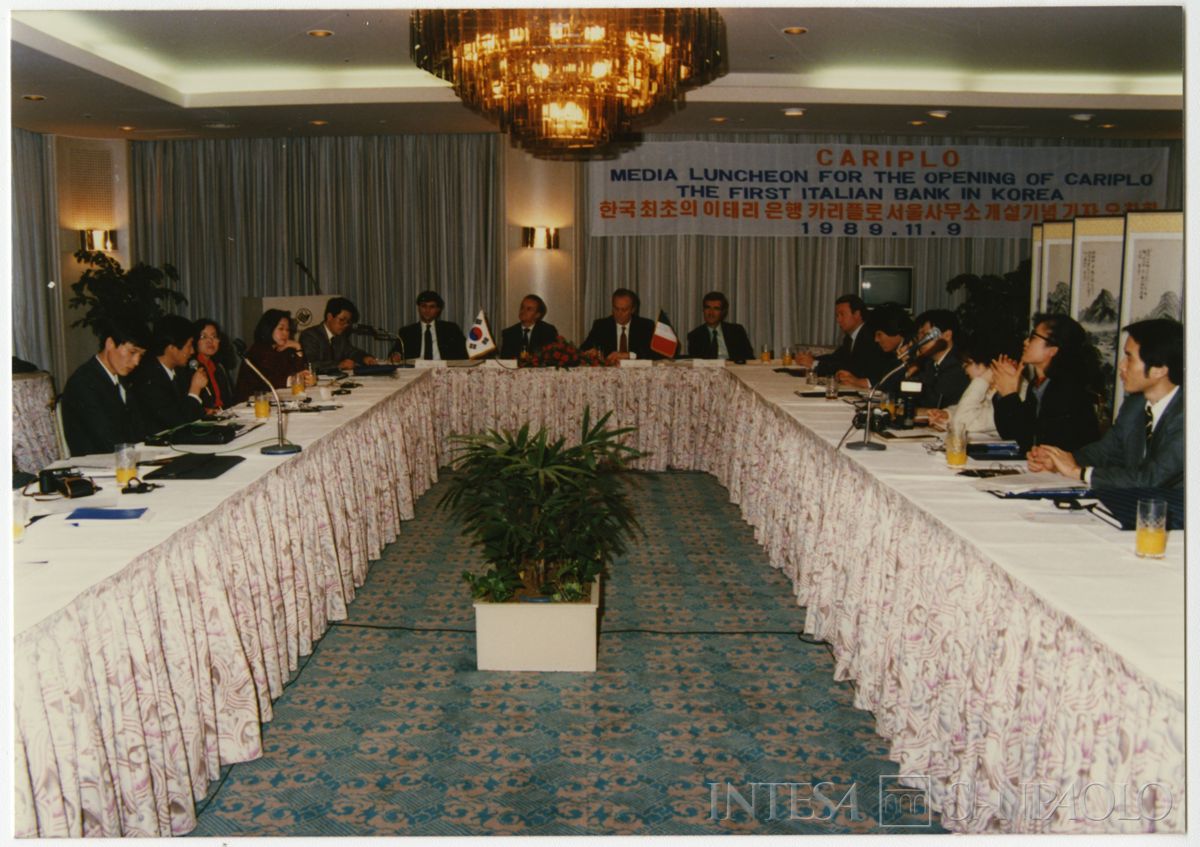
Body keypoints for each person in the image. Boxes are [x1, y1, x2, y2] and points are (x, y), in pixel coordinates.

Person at [1028, 319, 1183, 489]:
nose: (1121, 366)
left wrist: (1078, 472)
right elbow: (1105, 452)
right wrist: (1058, 460)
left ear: (1159, 370)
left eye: (1129, 358)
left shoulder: (1187, 417)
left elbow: (1152, 478)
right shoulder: (1135, 405)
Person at [991, 313, 1100, 453]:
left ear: (1052, 350)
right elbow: (1009, 433)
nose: (1025, 342)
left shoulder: (1068, 390)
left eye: (1033, 337)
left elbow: (1029, 440)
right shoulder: (1038, 384)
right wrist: (1003, 391)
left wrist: (1010, 394)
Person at [60, 317, 150, 456]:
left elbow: (138, 430)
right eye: (132, 352)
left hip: (124, 458)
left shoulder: (120, 378)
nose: (136, 362)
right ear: (110, 343)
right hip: (98, 464)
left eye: (141, 355)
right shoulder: (84, 382)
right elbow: (108, 441)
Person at [927, 332, 1022, 436]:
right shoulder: (992, 389)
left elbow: (963, 421)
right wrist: (947, 415)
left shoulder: (1015, 391)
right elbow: (975, 410)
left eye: (967, 365)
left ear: (988, 364)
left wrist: (983, 379)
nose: (965, 372)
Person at [130, 314, 210, 434]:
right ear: (172, 348)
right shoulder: (148, 377)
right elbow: (177, 423)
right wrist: (195, 390)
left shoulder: (181, 371)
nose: (192, 351)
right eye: (189, 346)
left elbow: (187, 410)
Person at [794, 293, 882, 381]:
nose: (838, 320)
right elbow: (835, 358)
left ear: (856, 314)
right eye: (837, 315)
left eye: (842, 314)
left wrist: (815, 364)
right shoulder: (850, 337)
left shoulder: (870, 336)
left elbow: (852, 368)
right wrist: (811, 359)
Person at [234, 309, 315, 402]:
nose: (285, 333)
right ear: (268, 329)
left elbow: (298, 372)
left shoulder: (283, 349)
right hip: (249, 404)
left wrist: (298, 347)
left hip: (273, 401)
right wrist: (294, 380)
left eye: (287, 330)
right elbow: (267, 382)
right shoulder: (258, 350)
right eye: (281, 329)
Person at [836, 303, 913, 390]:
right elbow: (880, 377)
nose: (876, 340)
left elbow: (891, 384)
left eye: (879, 334)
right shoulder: (892, 350)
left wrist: (858, 382)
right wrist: (854, 379)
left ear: (894, 330)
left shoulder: (910, 350)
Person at [909, 309, 970, 412]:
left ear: (947, 335)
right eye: (918, 335)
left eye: (925, 335)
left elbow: (934, 403)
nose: (920, 341)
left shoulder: (957, 365)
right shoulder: (930, 363)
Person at [580, 288, 658, 363]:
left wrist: (629, 355)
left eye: (624, 310)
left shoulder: (645, 326)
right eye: (616, 309)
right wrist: (591, 352)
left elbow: (656, 353)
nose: (619, 313)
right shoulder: (601, 325)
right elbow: (582, 350)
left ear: (633, 309)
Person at [300, 296, 378, 372]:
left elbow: (352, 352)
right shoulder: (309, 335)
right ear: (329, 317)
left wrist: (364, 358)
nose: (346, 325)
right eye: (342, 320)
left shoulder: (340, 337)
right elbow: (310, 364)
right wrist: (339, 365)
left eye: (348, 322)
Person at [392, 290, 468, 361]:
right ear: (419, 308)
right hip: (416, 369)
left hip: (443, 368)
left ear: (438, 309)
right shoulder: (406, 332)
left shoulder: (451, 329)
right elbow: (395, 351)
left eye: (432, 307)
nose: (427, 310)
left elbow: (465, 351)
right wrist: (397, 355)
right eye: (424, 306)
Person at [685, 291, 754, 360]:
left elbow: (749, 357)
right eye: (708, 308)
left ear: (723, 312)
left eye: (716, 308)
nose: (711, 313)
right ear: (703, 310)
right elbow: (697, 362)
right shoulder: (695, 336)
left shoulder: (736, 331)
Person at [192, 318, 235, 411]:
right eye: (203, 337)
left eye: (214, 336)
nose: (210, 341)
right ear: (195, 341)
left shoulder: (219, 366)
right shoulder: (192, 367)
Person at [499, 294, 558, 358]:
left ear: (537, 315)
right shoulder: (509, 333)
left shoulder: (547, 331)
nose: (523, 311)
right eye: (522, 307)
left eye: (529, 309)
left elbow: (550, 357)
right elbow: (505, 359)